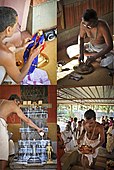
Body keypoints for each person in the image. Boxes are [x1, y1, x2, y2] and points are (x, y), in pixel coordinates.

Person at [0, 6, 50, 85]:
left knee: (11, 47)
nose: (17, 27)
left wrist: (22, 47)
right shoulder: (6, 54)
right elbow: (19, 79)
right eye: (16, 25)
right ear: (8, 29)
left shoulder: (4, 47)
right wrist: (32, 56)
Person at [0, 94, 43, 170]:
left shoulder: (2, 101)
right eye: (18, 103)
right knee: (4, 152)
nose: (18, 106)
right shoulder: (14, 105)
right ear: (15, 100)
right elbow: (27, 120)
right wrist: (38, 128)